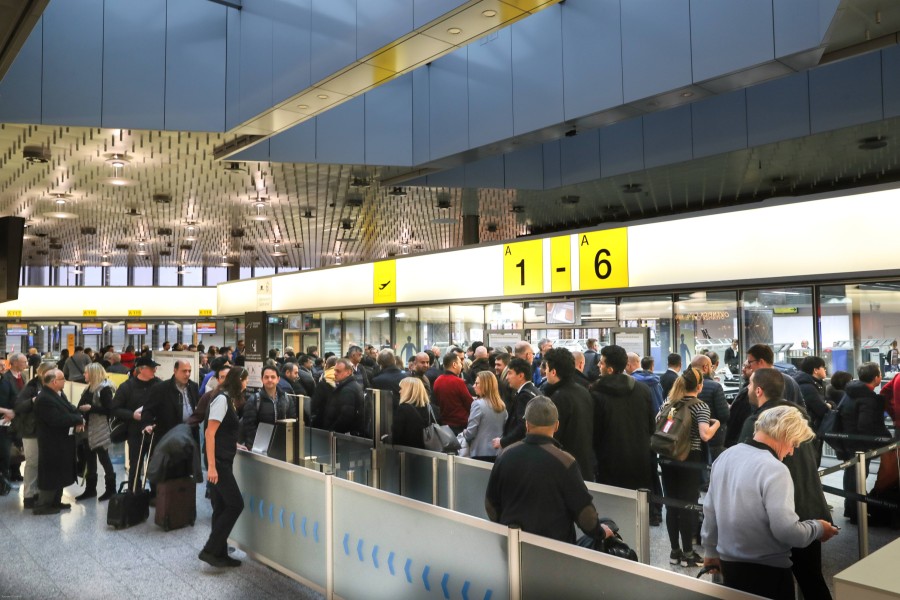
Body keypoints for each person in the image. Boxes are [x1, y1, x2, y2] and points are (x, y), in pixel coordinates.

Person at [702, 405, 839, 600]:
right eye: (794, 443)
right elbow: (787, 532)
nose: (792, 451)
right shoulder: (775, 469)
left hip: (730, 567)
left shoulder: (725, 456)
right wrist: (818, 527)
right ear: (785, 433)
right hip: (769, 572)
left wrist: (709, 549)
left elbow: (710, 511)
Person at [737, 367, 834, 600]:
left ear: (759, 390)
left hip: (779, 513)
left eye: (750, 385)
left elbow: (745, 468)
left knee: (773, 584)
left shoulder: (757, 423)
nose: (748, 388)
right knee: (812, 580)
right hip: (810, 509)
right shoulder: (799, 419)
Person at [485, 396, 614, 544]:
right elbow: (584, 514)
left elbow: (490, 504)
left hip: (513, 544)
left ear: (527, 424)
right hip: (554, 550)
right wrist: (600, 532)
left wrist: (505, 525)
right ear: (556, 426)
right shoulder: (565, 461)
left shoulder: (505, 455)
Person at [658, 366, 719, 568]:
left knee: (671, 504)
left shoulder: (669, 402)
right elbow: (705, 435)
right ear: (700, 386)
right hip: (689, 459)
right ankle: (688, 553)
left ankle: (674, 552)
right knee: (687, 505)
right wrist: (716, 424)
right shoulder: (700, 406)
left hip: (667, 458)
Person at [200, 366, 248, 568]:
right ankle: (210, 549)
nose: (246, 384)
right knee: (236, 504)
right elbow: (210, 433)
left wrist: (233, 444)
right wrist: (212, 466)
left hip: (222, 458)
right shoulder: (222, 400)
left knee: (220, 507)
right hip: (218, 462)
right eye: (245, 380)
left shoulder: (227, 399)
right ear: (239, 380)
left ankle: (219, 553)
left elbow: (222, 431)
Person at [589, 344, 655, 490]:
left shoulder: (596, 394)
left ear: (610, 369)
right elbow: (651, 426)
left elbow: (595, 433)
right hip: (640, 460)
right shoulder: (643, 390)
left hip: (609, 462)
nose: (599, 365)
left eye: (601, 362)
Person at [839, 361, 891, 523]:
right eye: (880, 374)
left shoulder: (850, 392)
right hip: (860, 445)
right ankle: (857, 514)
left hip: (846, 441)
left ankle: (851, 509)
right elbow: (865, 425)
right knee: (859, 477)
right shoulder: (868, 398)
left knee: (851, 475)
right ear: (876, 378)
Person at [33, 369, 84, 515]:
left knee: (60, 471)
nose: (64, 381)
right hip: (51, 443)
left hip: (62, 441)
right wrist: (77, 419)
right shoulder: (44, 399)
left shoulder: (57, 394)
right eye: (62, 379)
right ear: (54, 382)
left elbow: (70, 409)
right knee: (51, 473)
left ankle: (56, 502)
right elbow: (56, 419)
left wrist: (78, 417)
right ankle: (44, 505)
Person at [111, 356, 162, 484]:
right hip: (135, 432)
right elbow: (115, 409)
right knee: (135, 464)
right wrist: (132, 415)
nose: (155, 370)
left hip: (155, 432)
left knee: (155, 464)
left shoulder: (159, 385)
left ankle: (155, 495)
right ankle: (134, 492)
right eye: (152, 368)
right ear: (142, 369)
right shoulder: (126, 387)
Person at [13, 363, 53, 508]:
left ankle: (36, 493)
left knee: (39, 463)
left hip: (43, 430)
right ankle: (29, 495)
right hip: (30, 431)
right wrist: (33, 401)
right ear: (42, 373)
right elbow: (18, 406)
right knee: (32, 462)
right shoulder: (31, 387)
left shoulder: (49, 386)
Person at [75, 363, 117, 501]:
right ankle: (90, 489)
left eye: (86, 373)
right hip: (88, 429)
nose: (84, 375)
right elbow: (80, 406)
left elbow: (109, 410)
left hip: (100, 429)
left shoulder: (104, 389)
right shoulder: (88, 388)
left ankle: (111, 489)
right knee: (90, 459)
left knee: (104, 458)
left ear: (93, 374)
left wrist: (91, 408)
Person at [142, 359, 201, 443]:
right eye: (184, 371)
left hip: (190, 432)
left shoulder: (193, 386)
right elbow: (148, 409)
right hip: (169, 434)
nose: (187, 374)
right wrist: (147, 424)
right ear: (175, 370)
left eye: (189, 371)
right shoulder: (161, 388)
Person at [240, 365, 296, 447]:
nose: (269, 380)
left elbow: (292, 421)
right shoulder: (254, 400)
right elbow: (249, 427)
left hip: (281, 445)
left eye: (273, 377)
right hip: (259, 446)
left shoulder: (286, 398)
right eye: (266, 377)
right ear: (262, 379)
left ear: (278, 379)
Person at [461, 371, 507, 462]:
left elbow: (471, 433)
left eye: (477, 383)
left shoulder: (477, 404)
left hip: (480, 452)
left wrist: (464, 433)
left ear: (485, 386)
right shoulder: (502, 406)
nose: (474, 386)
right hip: (498, 452)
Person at [692, 354, 729, 464]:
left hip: (692, 439)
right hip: (713, 438)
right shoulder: (715, 386)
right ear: (705, 367)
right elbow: (724, 415)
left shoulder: (684, 386)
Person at [493, 358, 536, 451]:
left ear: (521, 375)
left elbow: (522, 426)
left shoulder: (525, 395)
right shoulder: (533, 390)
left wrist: (503, 441)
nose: (507, 377)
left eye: (510, 373)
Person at [794, 355, 831, 465]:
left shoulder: (816, 384)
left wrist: (829, 404)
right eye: (823, 367)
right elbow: (822, 409)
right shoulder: (807, 387)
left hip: (813, 430)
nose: (825, 369)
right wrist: (828, 405)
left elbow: (828, 402)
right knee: (812, 463)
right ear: (815, 370)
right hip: (809, 431)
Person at [391, 377, 439, 449]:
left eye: (401, 388)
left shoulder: (403, 409)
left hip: (408, 453)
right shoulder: (432, 408)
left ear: (408, 390)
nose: (399, 391)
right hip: (429, 452)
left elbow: (397, 436)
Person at [432, 352, 473, 435]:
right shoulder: (458, 382)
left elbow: (435, 402)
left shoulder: (438, 381)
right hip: (460, 425)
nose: (461, 366)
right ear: (454, 364)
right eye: (460, 363)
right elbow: (469, 403)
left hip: (444, 425)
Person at [323, 358, 364, 435]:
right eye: (335, 370)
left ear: (349, 372)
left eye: (338, 371)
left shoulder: (348, 390)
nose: (334, 373)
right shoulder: (350, 386)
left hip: (344, 435)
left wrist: (333, 430)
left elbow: (346, 417)